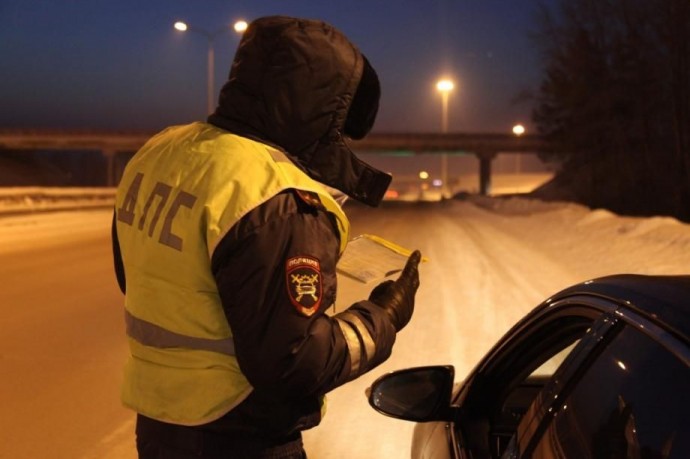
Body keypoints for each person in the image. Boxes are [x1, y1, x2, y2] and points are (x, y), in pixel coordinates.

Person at [111, 15, 422, 458]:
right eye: (341, 126)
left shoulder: (160, 151)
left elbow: (137, 277)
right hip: (239, 434)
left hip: (158, 426)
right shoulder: (275, 197)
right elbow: (294, 362)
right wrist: (382, 318)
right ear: (319, 109)